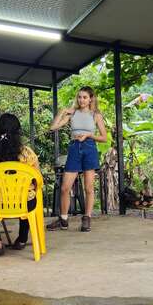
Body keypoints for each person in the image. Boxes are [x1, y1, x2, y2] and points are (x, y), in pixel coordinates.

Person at [47, 86, 107, 232]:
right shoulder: (72, 113)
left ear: (91, 99)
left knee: (88, 188)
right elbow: (53, 127)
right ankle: (63, 219)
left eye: (85, 97)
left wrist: (89, 135)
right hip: (74, 148)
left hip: (89, 148)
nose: (81, 100)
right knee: (65, 188)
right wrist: (61, 112)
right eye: (79, 97)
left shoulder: (96, 115)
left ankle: (86, 218)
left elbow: (104, 138)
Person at [0, 113, 39, 256]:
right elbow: (37, 178)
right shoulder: (27, 153)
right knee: (28, 197)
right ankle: (22, 239)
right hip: (25, 204)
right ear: (18, 131)